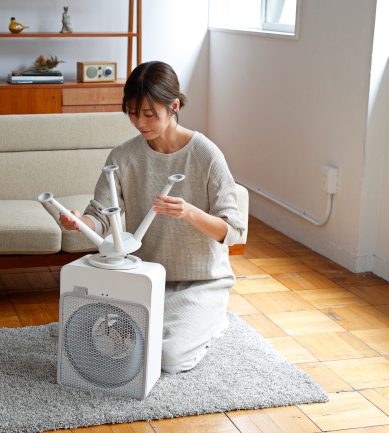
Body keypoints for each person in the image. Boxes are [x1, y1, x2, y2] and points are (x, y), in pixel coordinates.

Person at [58, 61, 247, 374]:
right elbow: (101, 217)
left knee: (168, 358)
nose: (139, 122)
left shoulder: (206, 155)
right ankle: (175, 324)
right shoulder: (123, 156)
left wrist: (189, 211)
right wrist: (79, 222)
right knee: (99, 343)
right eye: (132, 113)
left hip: (200, 281)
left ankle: (212, 321)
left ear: (174, 107)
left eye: (149, 114)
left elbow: (234, 232)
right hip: (143, 276)